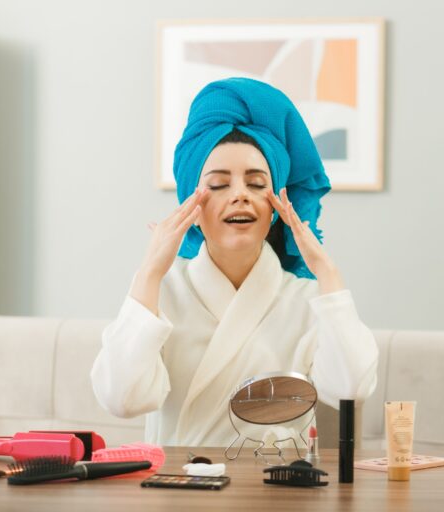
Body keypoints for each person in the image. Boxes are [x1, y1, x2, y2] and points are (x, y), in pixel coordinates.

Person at [91, 77, 378, 447]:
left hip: (277, 494)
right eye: (219, 184)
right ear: (192, 205)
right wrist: (149, 272)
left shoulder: (307, 298)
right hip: (180, 492)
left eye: (257, 184)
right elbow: (122, 399)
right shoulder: (161, 292)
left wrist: (327, 272)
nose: (240, 195)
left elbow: (351, 387)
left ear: (275, 208)